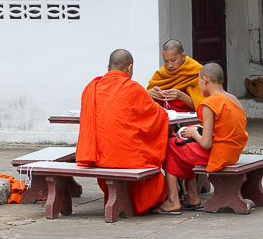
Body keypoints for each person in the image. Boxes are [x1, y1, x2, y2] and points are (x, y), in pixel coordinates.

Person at [76, 49, 171, 215]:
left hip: (98, 158)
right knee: (151, 165)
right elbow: (158, 117)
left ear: (108, 67)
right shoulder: (133, 88)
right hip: (126, 159)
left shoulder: (92, 87)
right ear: (130, 68)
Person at [158, 63, 249, 213]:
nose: (199, 87)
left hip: (217, 155)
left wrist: (194, 133)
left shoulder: (209, 103)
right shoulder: (233, 99)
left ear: (205, 80)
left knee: (170, 145)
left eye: (199, 82)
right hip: (233, 153)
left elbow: (206, 144)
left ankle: (174, 200)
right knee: (182, 145)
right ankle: (192, 196)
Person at [147, 39, 205, 112]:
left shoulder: (197, 72)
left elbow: (204, 108)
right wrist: (150, 95)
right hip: (167, 119)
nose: (170, 65)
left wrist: (181, 96)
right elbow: (149, 106)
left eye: (173, 60)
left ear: (183, 56)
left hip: (191, 121)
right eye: (166, 61)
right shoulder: (161, 75)